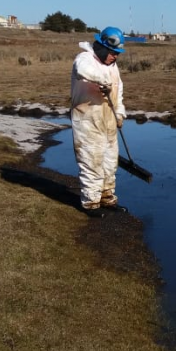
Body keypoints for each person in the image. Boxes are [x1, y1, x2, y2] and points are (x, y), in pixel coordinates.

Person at [70, 26, 127, 215]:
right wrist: (103, 80)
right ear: (101, 47)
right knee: (91, 162)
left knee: (110, 163)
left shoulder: (113, 66)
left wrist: (119, 113)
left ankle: (107, 198)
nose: (115, 56)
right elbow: (82, 70)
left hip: (108, 121)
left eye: (117, 53)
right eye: (112, 52)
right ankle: (90, 203)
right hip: (87, 121)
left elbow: (118, 92)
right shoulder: (85, 58)